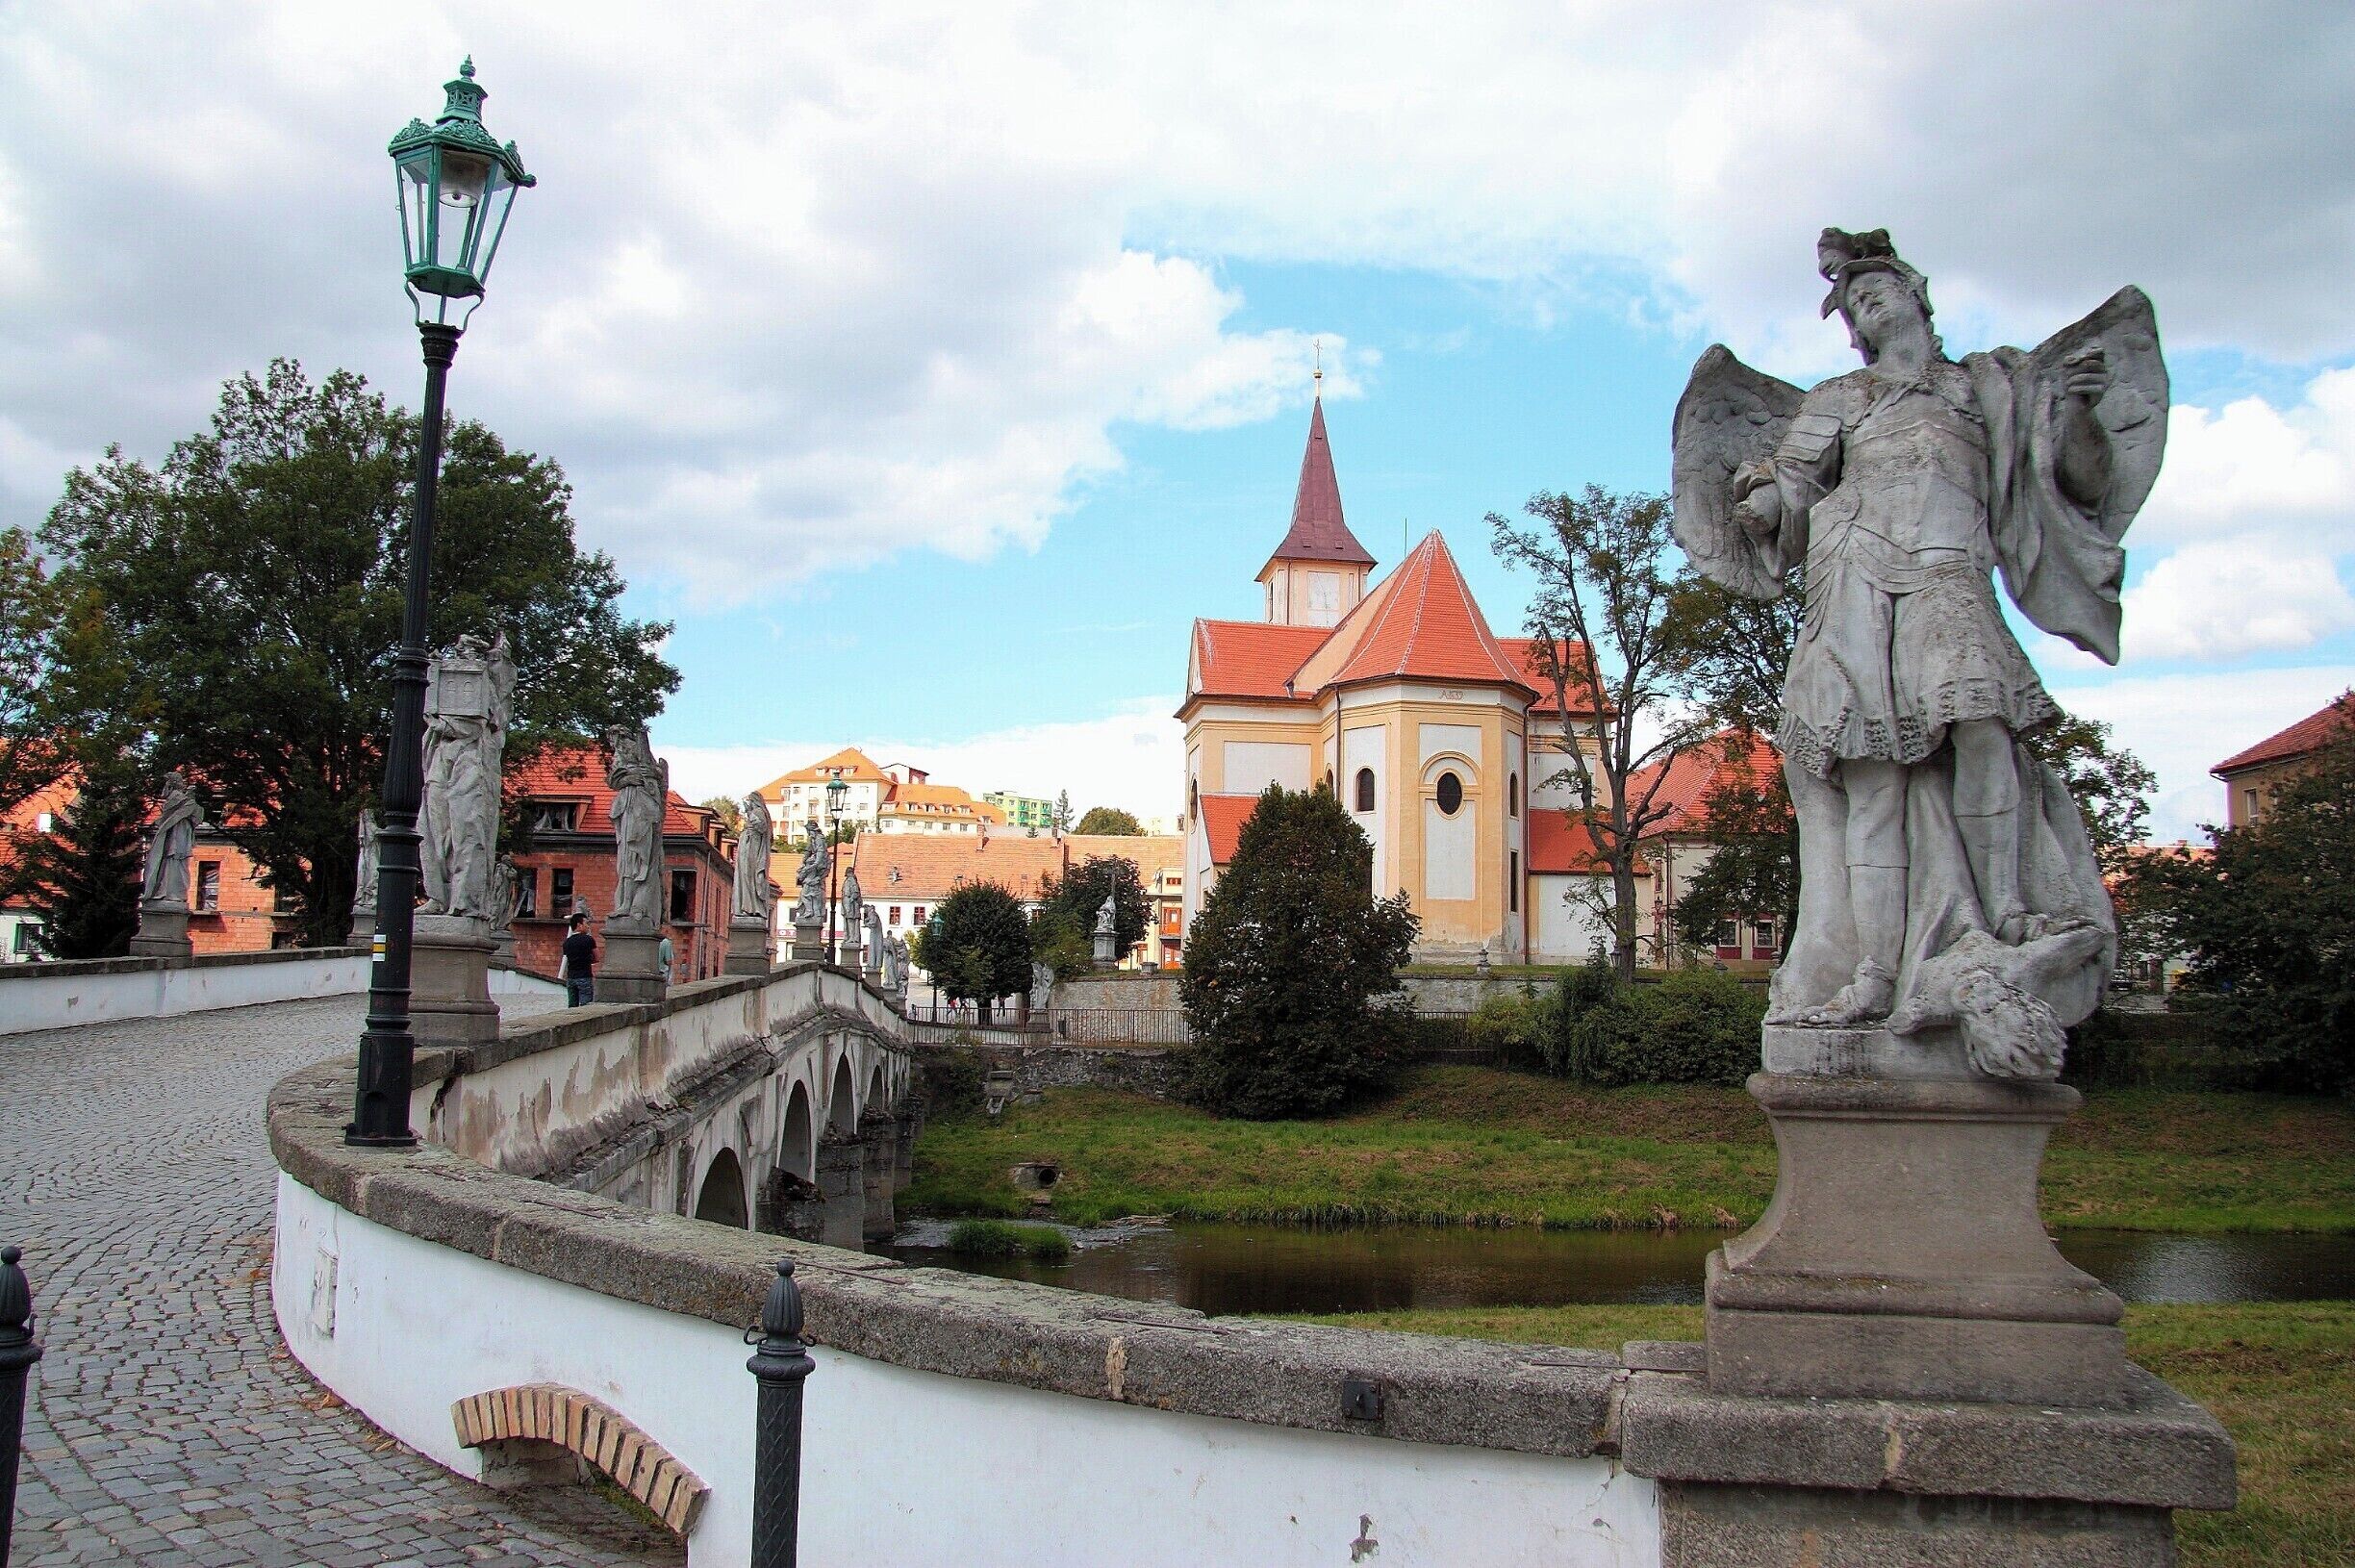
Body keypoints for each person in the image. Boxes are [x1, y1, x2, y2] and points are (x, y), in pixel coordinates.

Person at [561, 912, 597, 1006]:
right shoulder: (589, 940)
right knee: (586, 1006)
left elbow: (568, 957)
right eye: (586, 924)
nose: (588, 926)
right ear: (579, 925)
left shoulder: (567, 942)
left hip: (571, 977)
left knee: (572, 1006)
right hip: (584, 976)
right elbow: (597, 957)